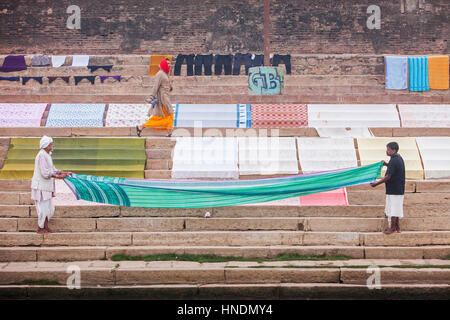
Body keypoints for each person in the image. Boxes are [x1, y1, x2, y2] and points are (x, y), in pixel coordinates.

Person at [31, 136, 71, 234]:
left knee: (49, 209)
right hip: (41, 187)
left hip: (47, 187)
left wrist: (63, 172)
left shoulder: (47, 155)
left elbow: (52, 169)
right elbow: (45, 173)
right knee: (43, 209)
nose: (52, 146)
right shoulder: (41, 155)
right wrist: (58, 177)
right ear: (46, 145)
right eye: (51, 144)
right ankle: (40, 228)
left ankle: (45, 226)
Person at [370, 142, 405, 235]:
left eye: (388, 149)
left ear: (394, 150)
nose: (387, 151)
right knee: (395, 207)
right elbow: (393, 168)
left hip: (395, 189)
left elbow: (388, 176)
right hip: (396, 189)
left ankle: (392, 228)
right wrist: (386, 164)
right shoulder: (397, 158)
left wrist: (376, 184)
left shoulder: (394, 160)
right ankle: (397, 227)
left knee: (393, 208)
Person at [136, 58, 174, 137]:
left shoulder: (165, 73)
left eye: (169, 63)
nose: (169, 65)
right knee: (169, 114)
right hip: (163, 99)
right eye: (167, 63)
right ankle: (142, 126)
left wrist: (170, 87)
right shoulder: (160, 74)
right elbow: (155, 87)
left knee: (164, 116)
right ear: (163, 64)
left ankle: (168, 132)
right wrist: (151, 96)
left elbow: (165, 87)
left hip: (166, 97)